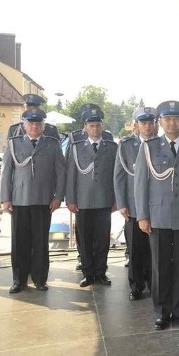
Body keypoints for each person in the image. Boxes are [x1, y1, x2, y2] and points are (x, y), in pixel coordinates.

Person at [134, 100, 179, 330]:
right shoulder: (148, 147)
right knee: (160, 266)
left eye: (176, 119)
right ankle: (162, 312)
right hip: (158, 216)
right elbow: (140, 185)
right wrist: (143, 216)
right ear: (161, 122)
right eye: (167, 119)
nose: (172, 122)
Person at [1, 108, 65, 293]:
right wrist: (5, 198)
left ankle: (39, 279)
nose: (34, 126)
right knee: (19, 242)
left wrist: (58, 197)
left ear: (43, 125)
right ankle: (19, 280)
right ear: (24, 125)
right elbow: (6, 174)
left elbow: (61, 173)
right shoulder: (13, 144)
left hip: (44, 200)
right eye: (31, 123)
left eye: (38, 123)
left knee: (40, 242)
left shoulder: (52, 144)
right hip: (19, 200)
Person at [66, 107, 118, 288]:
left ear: (102, 126)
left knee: (102, 239)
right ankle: (88, 273)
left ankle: (101, 272)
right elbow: (70, 175)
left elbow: (116, 176)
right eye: (91, 125)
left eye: (98, 125)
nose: (95, 129)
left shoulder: (111, 147)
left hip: (104, 200)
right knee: (85, 239)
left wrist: (115, 199)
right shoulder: (76, 148)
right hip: (83, 201)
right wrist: (70, 199)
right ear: (85, 127)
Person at [114, 107, 157, 301]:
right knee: (135, 248)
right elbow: (119, 176)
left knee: (155, 249)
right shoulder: (126, 146)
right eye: (144, 123)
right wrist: (122, 203)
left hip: (157, 206)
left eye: (150, 123)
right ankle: (136, 285)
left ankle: (153, 283)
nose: (148, 127)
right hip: (133, 206)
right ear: (136, 125)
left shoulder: (161, 144)